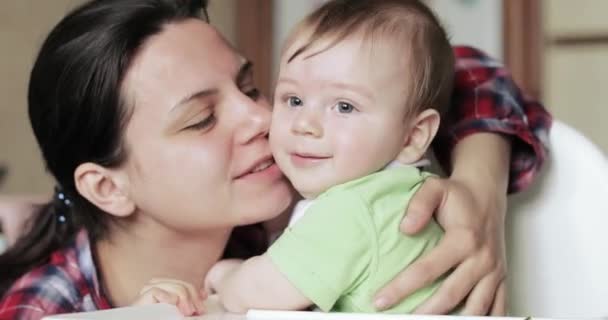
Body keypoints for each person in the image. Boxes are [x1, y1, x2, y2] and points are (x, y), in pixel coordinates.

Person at [0, 0, 551, 319]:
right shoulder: (48, 309)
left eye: (253, 86)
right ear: (106, 188)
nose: (264, 118)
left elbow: (456, 67)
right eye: (201, 119)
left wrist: (478, 191)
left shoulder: (274, 222)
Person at [204, 0, 456, 313]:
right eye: (294, 99)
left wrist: (224, 274)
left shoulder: (355, 208)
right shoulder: (395, 193)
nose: (304, 124)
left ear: (413, 136)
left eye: (344, 106)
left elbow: (257, 292)